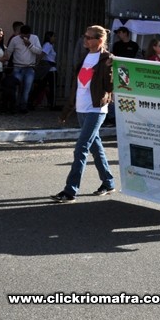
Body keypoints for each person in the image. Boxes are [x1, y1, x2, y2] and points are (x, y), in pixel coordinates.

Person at [51, 25, 115, 202]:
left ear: (99, 40)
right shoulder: (85, 57)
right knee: (95, 147)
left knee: (81, 148)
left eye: (89, 37)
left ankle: (70, 191)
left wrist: (109, 69)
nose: (85, 40)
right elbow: (77, 87)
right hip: (81, 108)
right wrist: (66, 112)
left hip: (96, 109)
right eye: (84, 36)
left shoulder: (107, 59)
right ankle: (108, 182)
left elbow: (109, 87)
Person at [7, 25, 42, 113]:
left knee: (27, 89)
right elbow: (9, 52)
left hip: (29, 68)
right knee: (16, 88)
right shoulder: (15, 40)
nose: (25, 37)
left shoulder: (35, 38)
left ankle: (23, 106)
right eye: (23, 35)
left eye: (27, 35)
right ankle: (14, 106)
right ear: (20, 33)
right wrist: (6, 64)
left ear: (30, 34)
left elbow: (39, 51)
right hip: (18, 67)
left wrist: (29, 45)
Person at [34, 30, 58, 109]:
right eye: (53, 36)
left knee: (41, 86)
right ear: (49, 37)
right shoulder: (48, 45)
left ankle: (33, 101)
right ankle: (52, 104)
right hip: (50, 69)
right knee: (52, 87)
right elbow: (42, 54)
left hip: (47, 69)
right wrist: (37, 63)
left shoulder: (48, 45)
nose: (55, 38)